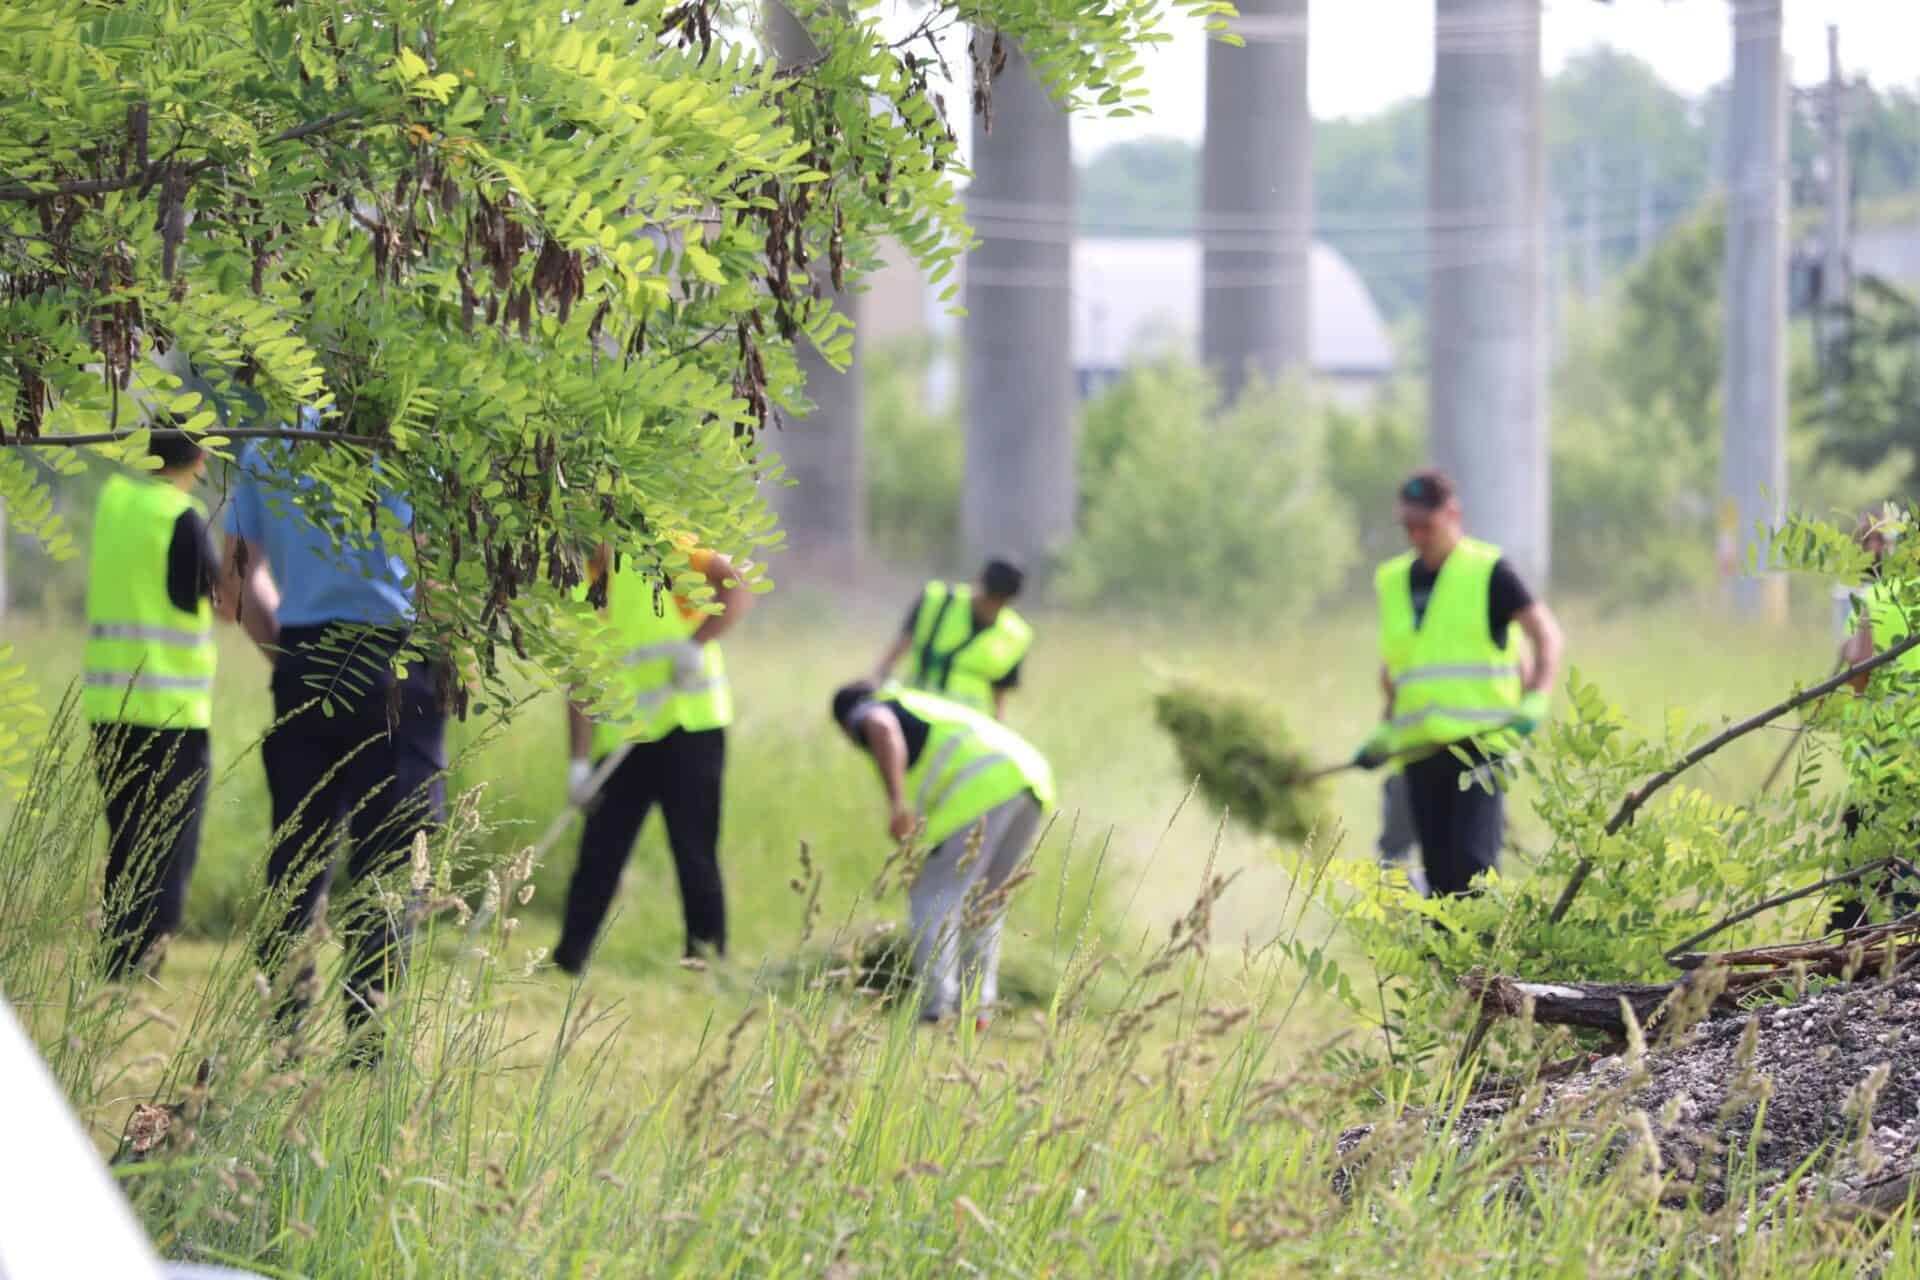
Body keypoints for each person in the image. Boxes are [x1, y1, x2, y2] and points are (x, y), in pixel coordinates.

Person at [219, 408, 446, 1054]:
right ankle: (366, 1045)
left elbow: (235, 577)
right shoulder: (406, 435)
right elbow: (438, 574)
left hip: (304, 664)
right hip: (396, 668)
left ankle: (282, 1034)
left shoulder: (272, 446)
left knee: (296, 861)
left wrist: (287, 657)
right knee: (389, 867)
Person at [1352, 469, 1564, 898]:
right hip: (1419, 751)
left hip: (1479, 749)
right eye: (1408, 526)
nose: (1416, 535)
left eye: (1425, 525)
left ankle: (1484, 967)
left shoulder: (1490, 572)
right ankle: (1446, 967)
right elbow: (1399, 670)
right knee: (1439, 878)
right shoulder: (1393, 581)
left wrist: (1537, 698)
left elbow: (1546, 635)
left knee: (1473, 871)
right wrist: (1385, 729)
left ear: (1453, 514)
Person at [554, 540, 750, 974]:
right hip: (624, 741)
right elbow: (580, 681)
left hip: (689, 724)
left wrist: (696, 644)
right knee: (600, 852)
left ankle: (705, 962)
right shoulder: (577, 588)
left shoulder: (660, 548)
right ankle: (569, 960)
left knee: (694, 850)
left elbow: (737, 586)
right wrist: (578, 765)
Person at [831, 681, 1055, 1026]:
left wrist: (897, 806)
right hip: (1032, 780)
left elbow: (880, 726)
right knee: (984, 903)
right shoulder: (919, 705)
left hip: (983, 789)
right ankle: (978, 1009)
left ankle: (937, 1006)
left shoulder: (870, 709)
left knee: (933, 896)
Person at [84, 426, 219, 979]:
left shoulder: (113, 503)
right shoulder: (181, 517)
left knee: (125, 839)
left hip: (109, 709)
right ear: (202, 458)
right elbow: (212, 593)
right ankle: (141, 966)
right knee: (167, 844)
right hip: (171, 713)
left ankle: (116, 960)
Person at [1831, 508, 1920, 930]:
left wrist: (1849, 652)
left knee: (1858, 889)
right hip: (1914, 766)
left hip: (1877, 765)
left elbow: (1861, 676)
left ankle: (1846, 963)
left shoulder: (1870, 602)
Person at [874, 559, 1031, 719]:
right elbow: (899, 647)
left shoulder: (1015, 635)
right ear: (978, 582)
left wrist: (998, 726)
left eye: (1000, 602)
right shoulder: (935, 601)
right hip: (917, 713)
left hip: (969, 725)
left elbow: (999, 693)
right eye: (989, 598)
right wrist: (878, 683)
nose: (991, 606)